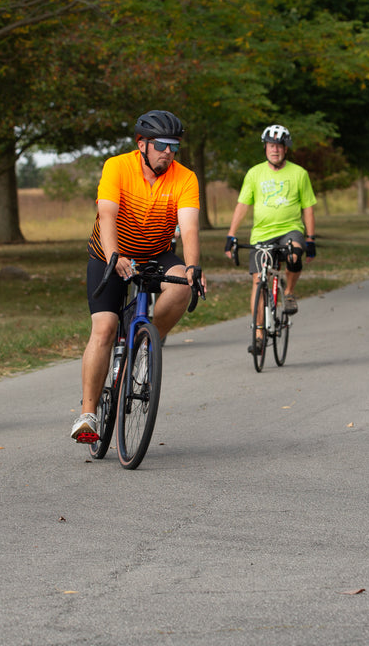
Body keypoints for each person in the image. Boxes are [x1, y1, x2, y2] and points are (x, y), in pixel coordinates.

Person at [71, 111, 205, 443]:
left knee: (182, 286)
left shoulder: (185, 178)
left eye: (174, 146)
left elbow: (189, 227)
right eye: (161, 145)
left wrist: (193, 267)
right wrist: (114, 255)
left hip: (156, 253)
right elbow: (107, 214)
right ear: (142, 144)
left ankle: (146, 345)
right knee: (104, 328)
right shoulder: (117, 166)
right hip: (109, 253)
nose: (168, 152)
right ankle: (88, 414)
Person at [225, 124, 318, 353]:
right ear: (265, 148)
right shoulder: (254, 173)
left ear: (286, 149)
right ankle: (258, 334)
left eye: (279, 146)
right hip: (262, 234)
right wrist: (231, 234)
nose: (274, 149)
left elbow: (308, 208)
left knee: (295, 253)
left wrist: (310, 238)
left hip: (290, 229)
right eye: (270, 145)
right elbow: (242, 205)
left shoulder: (299, 173)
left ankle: (289, 293)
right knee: (258, 282)